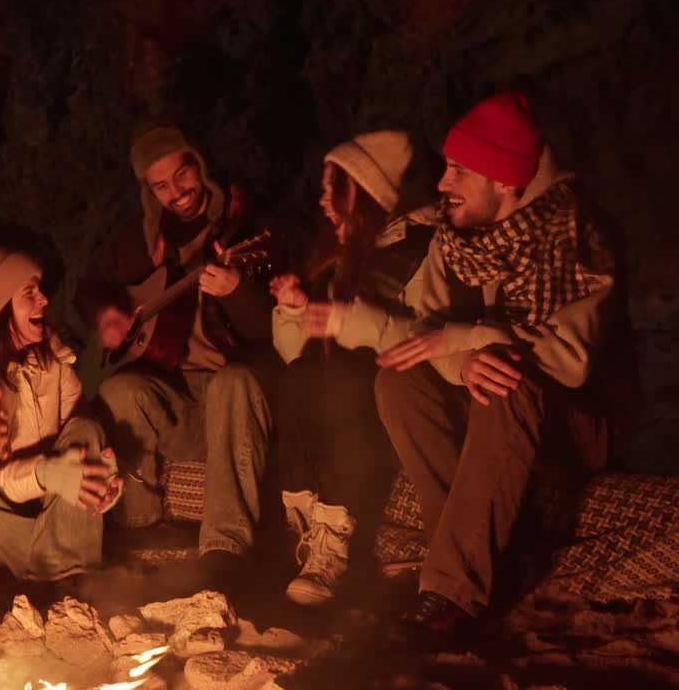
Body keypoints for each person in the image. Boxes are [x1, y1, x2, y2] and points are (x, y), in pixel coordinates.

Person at [372, 91, 619, 642]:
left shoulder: (580, 237)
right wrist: (464, 361)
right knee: (400, 378)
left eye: (459, 170)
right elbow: (424, 331)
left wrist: (471, 342)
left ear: (505, 181)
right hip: (498, 401)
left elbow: (571, 361)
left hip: (574, 422)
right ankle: (454, 562)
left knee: (507, 378)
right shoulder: (457, 235)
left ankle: (455, 595)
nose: (442, 184)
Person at [78, 122, 278, 584]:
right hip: (182, 401)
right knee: (120, 390)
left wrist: (237, 291)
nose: (177, 192)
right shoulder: (150, 238)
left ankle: (225, 550)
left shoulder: (247, 225)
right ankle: (139, 527)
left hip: (238, 397)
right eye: (161, 186)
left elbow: (274, 330)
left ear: (199, 166)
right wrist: (107, 314)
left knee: (234, 380)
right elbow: (90, 285)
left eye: (182, 175)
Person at [270, 130, 435, 606]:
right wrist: (296, 309)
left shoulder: (419, 250)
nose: (322, 200)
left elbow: (425, 336)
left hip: (386, 404)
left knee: (347, 374)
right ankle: (301, 522)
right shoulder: (331, 257)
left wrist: (347, 321)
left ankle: (334, 542)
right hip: (330, 402)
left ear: (362, 192)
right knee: (298, 375)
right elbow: (292, 353)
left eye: (331, 188)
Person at [0, 243, 122, 581]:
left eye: (41, 291)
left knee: (86, 431)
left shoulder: (52, 360)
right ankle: (63, 566)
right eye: (29, 293)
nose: (44, 300)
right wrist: (45, 473)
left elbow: (81, 435)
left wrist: (100, 480)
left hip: (49, 513)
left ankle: (60, 572)